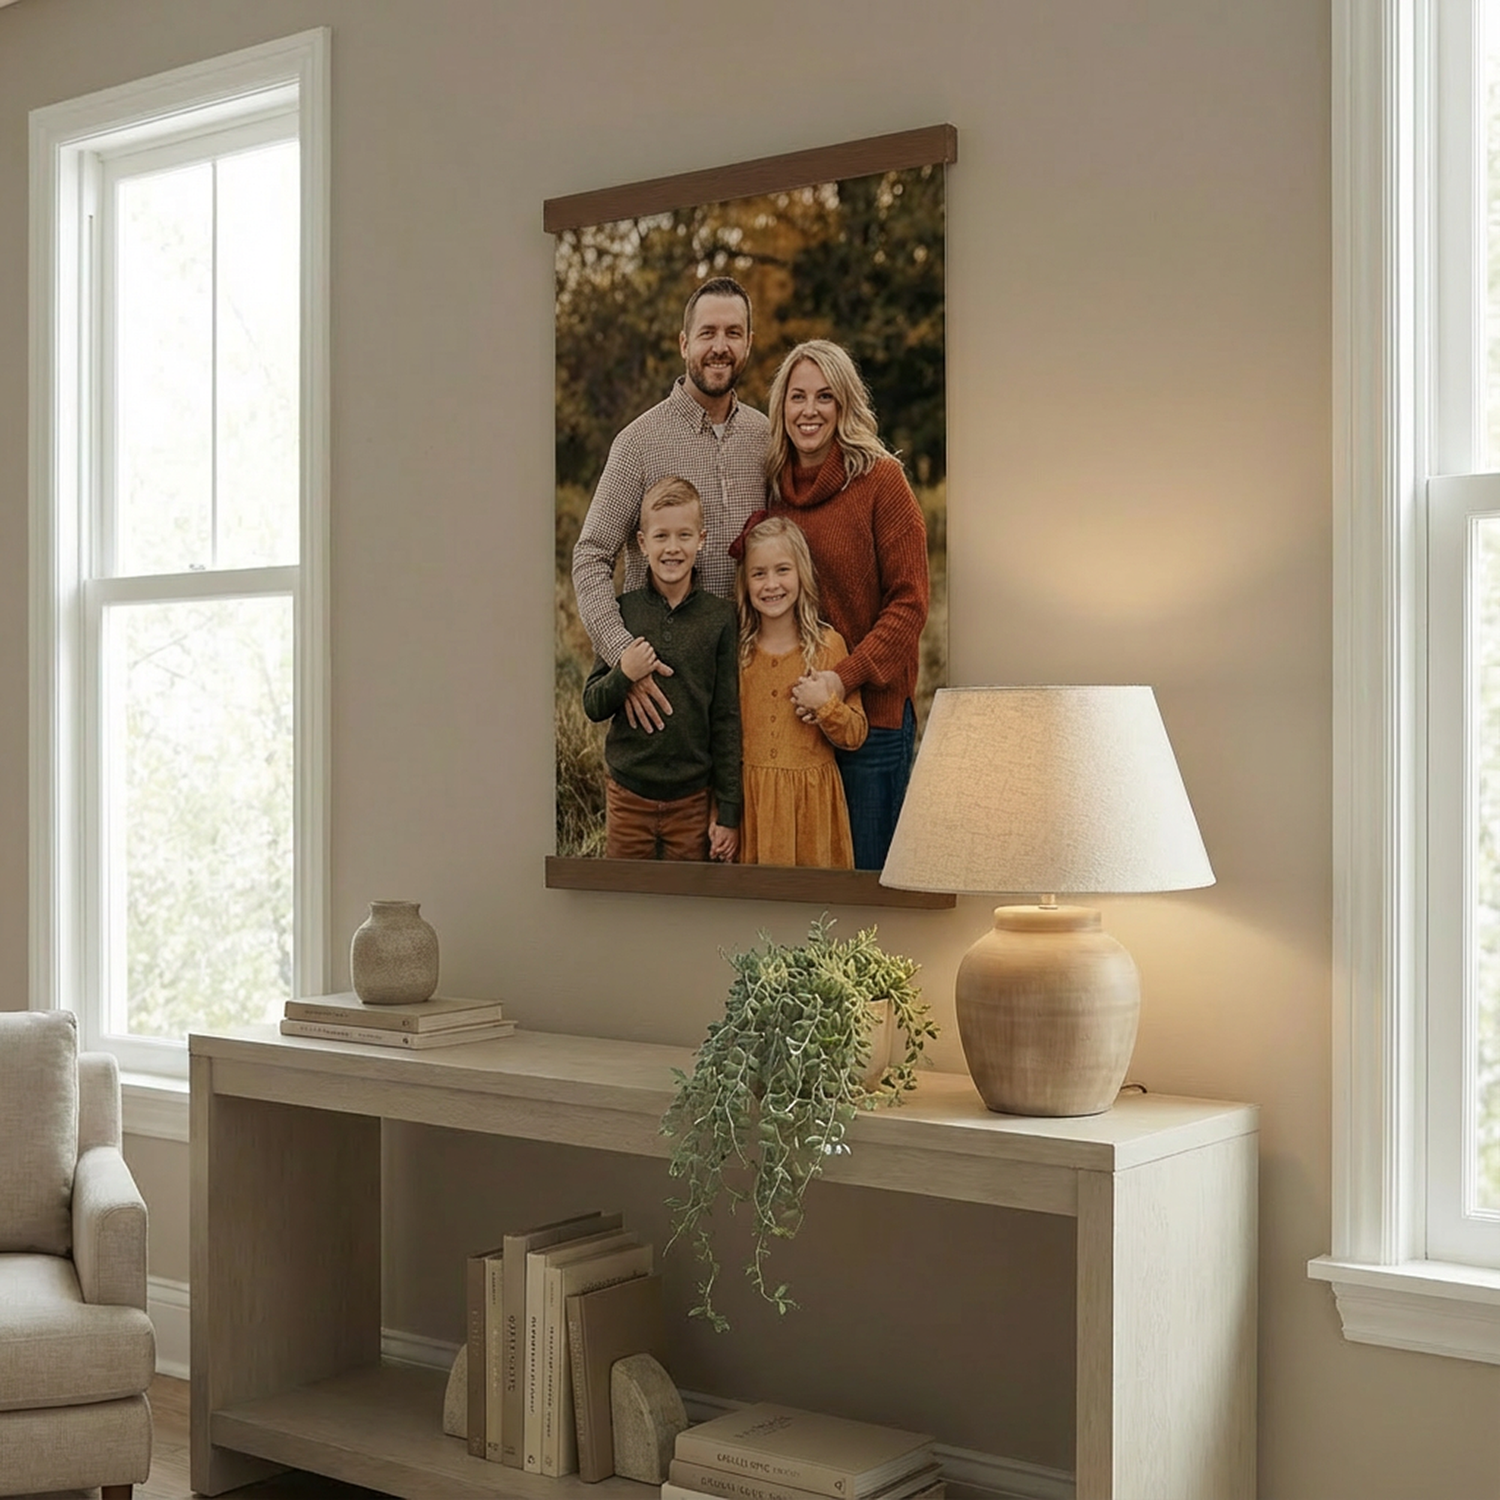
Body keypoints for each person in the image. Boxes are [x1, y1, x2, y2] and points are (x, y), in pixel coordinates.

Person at [571, 276, 769, 734]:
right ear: (684, 343)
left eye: (733, 333)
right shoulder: (638, 443)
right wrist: (624, 656)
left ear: (749, 344)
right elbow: (591, 555)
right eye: (708, 333)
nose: (720, 346)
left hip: (748, 690)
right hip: (665, 696)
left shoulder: (765, 437)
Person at [764, 339, 929, 872]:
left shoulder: (883, 482)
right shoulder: (775, 491)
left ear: (844, 406)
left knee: (868, 883)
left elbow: (909, 605)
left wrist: (843, 678)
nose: (808, 411)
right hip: (803, 722)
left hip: (874, 721)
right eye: (797, 397)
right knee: (815, 882)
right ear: (781, 407)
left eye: (824, 397)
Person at [581, 476, 741, 862]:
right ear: (641, 543)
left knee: (686, 912)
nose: (673, 548)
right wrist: (625, 672)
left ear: (701, 540)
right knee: (625, 906)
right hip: (628, 795)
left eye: (684, 535)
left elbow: (726, 719)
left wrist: (730, 812)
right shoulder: (625, 611)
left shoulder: (720, 619)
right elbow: (593, 703)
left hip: (691, 801)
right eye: (661, 537)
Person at [730, 513, 866, 869]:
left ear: (802, 573)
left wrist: (826, 707)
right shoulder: (737, 652)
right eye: (759, 573)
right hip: (754, 806)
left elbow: (855, 733)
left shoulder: (828, 645)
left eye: (782, 570)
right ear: (745, 582)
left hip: (813, 809)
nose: (771, 584)